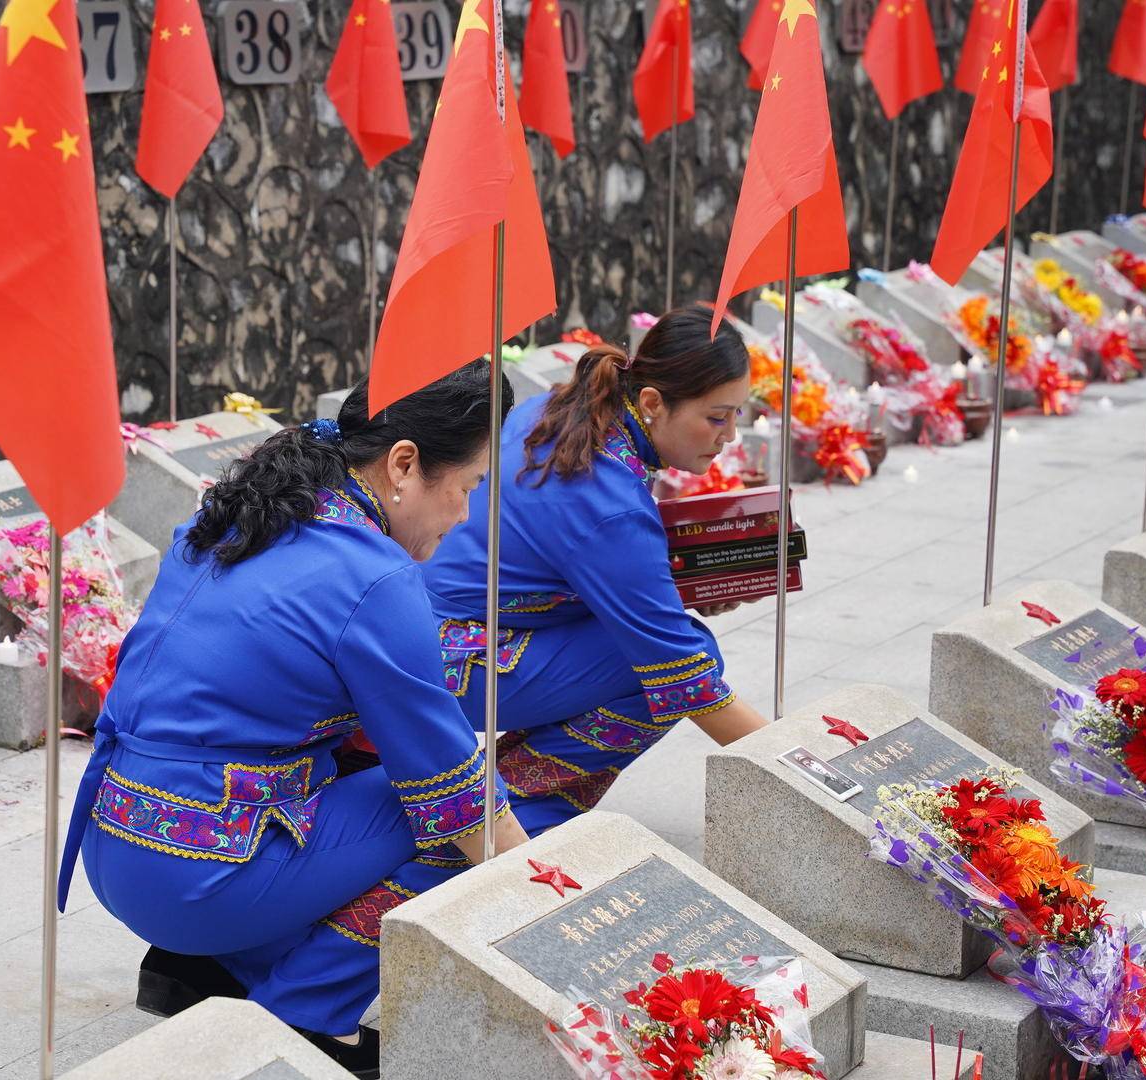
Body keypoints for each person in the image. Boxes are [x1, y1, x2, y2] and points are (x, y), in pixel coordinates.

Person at [58, 361, 529, 1078]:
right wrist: (549, 904)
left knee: (372, 763)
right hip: (198, 874)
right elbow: (460, 801)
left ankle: (211, 968)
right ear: (404, 464)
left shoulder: (248, 509)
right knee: (458, 814)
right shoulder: (373, 576)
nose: (465, 514)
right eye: (466, 487)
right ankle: (305, 1015)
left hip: (113, 843)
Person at [423, 306, 770, 834]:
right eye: (716, 417)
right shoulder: (608, 498)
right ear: (652, 403)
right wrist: (802, 770)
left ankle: (489, 789)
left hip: (420, 627)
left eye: (737, 415)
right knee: (682, 658)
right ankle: (507, 809)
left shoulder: (561, 409)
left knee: (660, 644)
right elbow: (687, 679)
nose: (728, 436)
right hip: (446, 664)